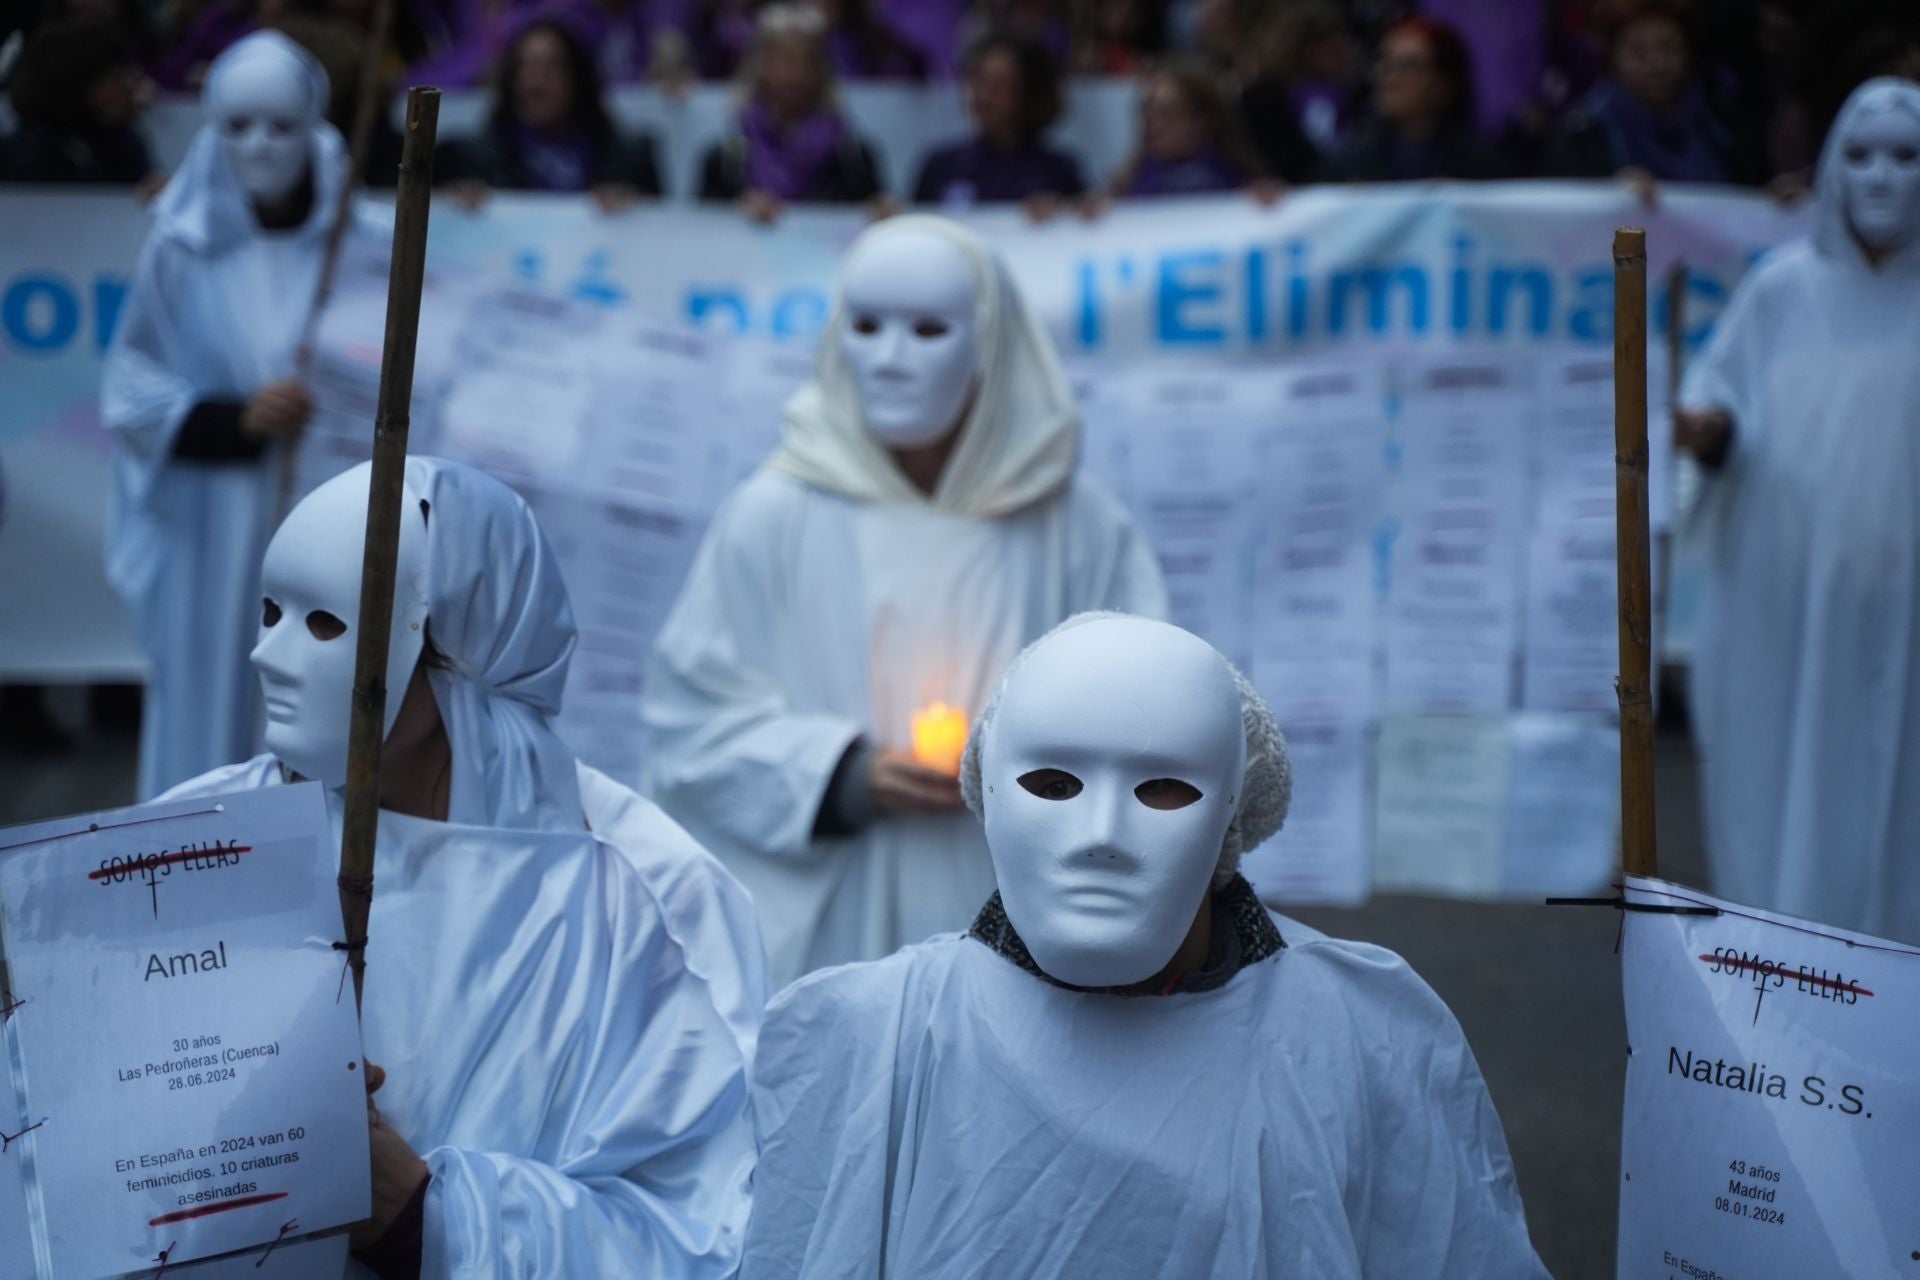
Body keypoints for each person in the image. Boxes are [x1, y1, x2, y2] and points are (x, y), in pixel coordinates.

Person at [740, 613, 1549, 1277]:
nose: (1102, 836)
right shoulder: (863, 1037)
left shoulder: (1365, 1040)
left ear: (1231, 809)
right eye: (1054, 784)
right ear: (987, 787)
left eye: (1162, 787)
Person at [161, 457, 764, 1275]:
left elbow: (712, 1233)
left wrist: (428, 1215)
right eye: (270, 611)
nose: (268, 654)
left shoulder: (647, 893)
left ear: (466, 644)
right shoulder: (193, 843)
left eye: (328, 622)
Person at [640, 214, 1167, 988]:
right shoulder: (775, 515)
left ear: (988, 341)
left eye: (928, 329)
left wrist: (1039, 776)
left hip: (1018, 923)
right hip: (831, 939)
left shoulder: (1074, 525)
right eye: (866, 325)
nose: (890, 360)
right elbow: (686, 725)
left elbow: (1151, 705)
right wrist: (841, 776)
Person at [1672, 77, 1920, 945]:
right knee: (1790, 785)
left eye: (1905, 155)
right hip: (1788, 615)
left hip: (1907, 620)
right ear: (1829, 168)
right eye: (1860, 154)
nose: (1883, 178)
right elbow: (1721, 407)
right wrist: (1706, 434)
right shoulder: (1781, 292)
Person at [101, 31, 353, 802]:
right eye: (238, 126)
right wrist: (234, 419)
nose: (261, 148)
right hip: (214, 529)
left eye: (281, 126)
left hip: (329, 518)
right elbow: (133, 384)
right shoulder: (181, 249)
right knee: (214, 694)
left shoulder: (361, 247)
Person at [436, 18, 663, 211]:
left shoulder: (627, 159)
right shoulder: (471, 160)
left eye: (551, 68)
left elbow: (667, 231)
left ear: (577, 78)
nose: (536, 84)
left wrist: (635, 209)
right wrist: (457, 205)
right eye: (524, 68)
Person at [695, 3, 884, 221]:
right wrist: (736, 212)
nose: (794, 74)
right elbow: (700, 226)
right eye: (782, 60)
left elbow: (877, 224)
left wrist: (879, 209)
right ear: (760, 67)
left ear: (824, 70)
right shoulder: (724, 161)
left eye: (807, 61)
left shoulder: (853, 159)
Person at [1545, 1, 1763, 188]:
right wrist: (1607, 191)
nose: (1657, 65)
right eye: (1639, 52)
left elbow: (1754, 187)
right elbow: (1564, 208)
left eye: (1669, 48)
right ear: (1612, 59)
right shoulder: (1584, 129)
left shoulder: (1722, 114)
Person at [910, 34, 1085, 213]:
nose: (983, 97)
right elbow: (916, 228)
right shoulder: (941, 166)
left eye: (999, 86)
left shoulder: (1056, 170)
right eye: (978, 82)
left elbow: (1089, 218)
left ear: (1028, 92)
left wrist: (1063, 210)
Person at [1318, 16, 1504, 182]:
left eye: (1407, 66)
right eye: (1385, 63)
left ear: (1444, 83)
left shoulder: (1480, 167)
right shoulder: (1351, 164)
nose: (1389, 78)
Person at [0, 17, 160, 190]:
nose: (130, 84)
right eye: (117, 74)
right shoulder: (24, 158)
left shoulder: (124, 145)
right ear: (81, 83)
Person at [1107, 58, 1260, 198]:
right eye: (1147, 112)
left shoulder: (1238, 179)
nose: (1154, 124)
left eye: (1167, 114)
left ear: (1205, 121)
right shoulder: (1130, 181)